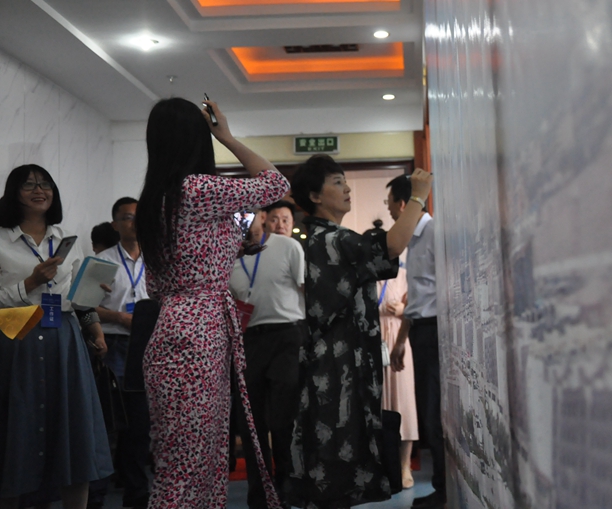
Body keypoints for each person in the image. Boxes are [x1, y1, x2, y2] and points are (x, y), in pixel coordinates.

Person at [135, 97, 289, 508]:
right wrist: (228, 137)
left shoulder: (155, 199)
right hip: (201, 332)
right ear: (197, 138)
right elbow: (276, 184)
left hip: (175, 326)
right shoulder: (198, 188)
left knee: (185, 460)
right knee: (192, 465)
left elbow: (155, 285)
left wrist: (219, 258)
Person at [288, 156, 432, 509]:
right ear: (315, 196)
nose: (347, 188)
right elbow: (391, 247)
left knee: (333, 458)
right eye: (337, 182)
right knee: (337, 457)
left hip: (332, 364)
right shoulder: (333, 239)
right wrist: (418, 196)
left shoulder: (318, 238)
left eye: (344, 181)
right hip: (337, 370)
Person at [0, 164, 113, 509]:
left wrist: (95, 318)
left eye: (45, 184)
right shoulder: (1, 238)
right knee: (16, 433)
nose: (40, 190)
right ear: (13, 193)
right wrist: (31, 283)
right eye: (29, 185)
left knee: (73, 436)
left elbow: (78, 298)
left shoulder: (67, 238)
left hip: (64, 337)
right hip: (15, 335)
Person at [229, 209, 307, 508]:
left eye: (249, 213)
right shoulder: (229, 255)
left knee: (283, 418)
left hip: (286, 334)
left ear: (262, 216)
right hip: (248, 339)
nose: (243, 220)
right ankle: (259, 493)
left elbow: (306, 289)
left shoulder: (287, 246)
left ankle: (287, 488)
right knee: (252, 422)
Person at [387, 175, 444, 509]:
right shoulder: (414, 239)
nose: (390, 213)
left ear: (403, 204)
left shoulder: (434, 233)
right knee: (428, 411)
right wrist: (401, 341)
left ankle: (444, 492)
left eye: (390, 206)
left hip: (436, 331)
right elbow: (418, 296)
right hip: (420, 331)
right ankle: (441, 489)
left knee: (434, 412)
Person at [93, 197, 151, 508]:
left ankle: (137, 491)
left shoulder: (156, 259)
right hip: (113, 343)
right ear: (115, 224)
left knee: (141, 423)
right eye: (127, 217)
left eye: (138, 217)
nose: (134, 223)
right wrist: (118, 317)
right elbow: (84, 305)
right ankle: (97, 494)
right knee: (110, 421)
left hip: (147, 346)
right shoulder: (103, 261)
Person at [368, 219, 418, 489]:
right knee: (376, 404)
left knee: (403, 402)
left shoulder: (403, 272)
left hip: (398, 339)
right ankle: (379, 466)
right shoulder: (363, 274)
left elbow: (417, 304)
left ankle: (404, 465)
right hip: (371, 341)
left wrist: (402, 310)